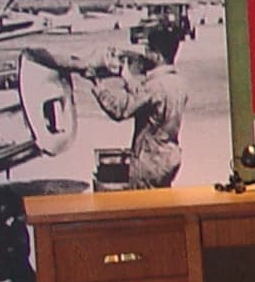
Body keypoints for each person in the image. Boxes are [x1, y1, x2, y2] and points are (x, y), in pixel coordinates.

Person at [79, 22, 190, 189]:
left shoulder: (154, 86)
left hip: (149, 161)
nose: (146, 53)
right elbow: (148, 101)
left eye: (150, 50)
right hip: (168, 156)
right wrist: (127, 77)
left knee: (146, 207)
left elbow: (120, 110)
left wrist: (97, 85)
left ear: (158, 56)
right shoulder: (178, 82)